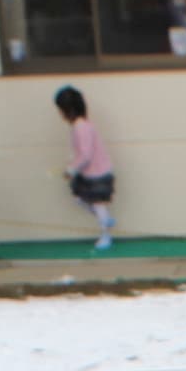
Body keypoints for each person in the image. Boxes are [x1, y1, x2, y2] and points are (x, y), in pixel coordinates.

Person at [54, 85, 115, 251]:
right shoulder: (83, 125)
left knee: (97, 203)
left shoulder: (81, 127)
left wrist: (71, 169)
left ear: (68, 110)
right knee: (82, 199)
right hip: (92, 172)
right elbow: (83, 152)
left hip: (97, 173)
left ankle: (106, 234)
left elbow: (85, 155)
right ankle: (106, 221)